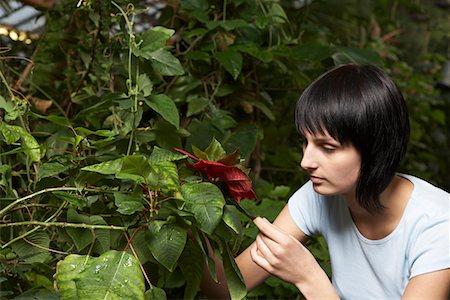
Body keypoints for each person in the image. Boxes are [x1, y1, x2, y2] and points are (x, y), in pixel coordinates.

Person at [201, 64, 450, 299]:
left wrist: (308, 277)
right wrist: (184, 223)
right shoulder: (318, 194)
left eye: (328, 148)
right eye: (306, 142)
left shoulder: (438, 223)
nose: (306, 161)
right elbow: (227, 289)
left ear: (375, 148)